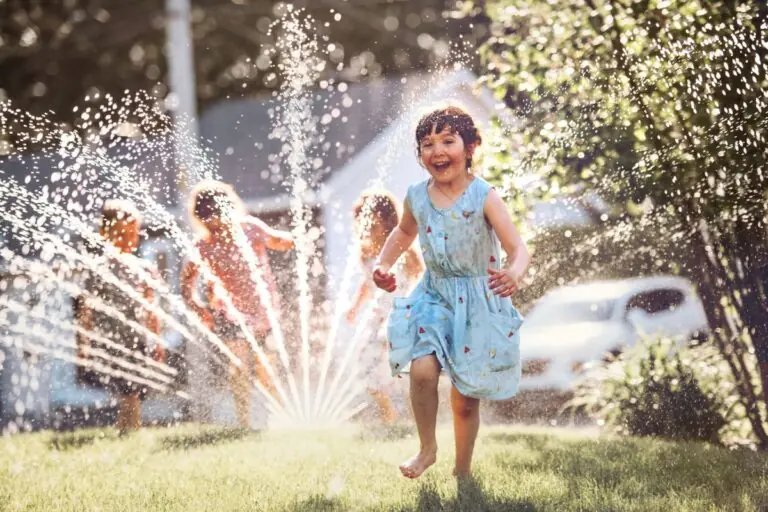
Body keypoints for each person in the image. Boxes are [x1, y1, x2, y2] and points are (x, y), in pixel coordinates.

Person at [372, 106, 531, 479]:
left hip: (477, 302)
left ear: (471, 145)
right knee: (422, 369)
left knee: (464, 400)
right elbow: (404, 233)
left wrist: (515, 273)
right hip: (435, 295)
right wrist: (384, 265)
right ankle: (427, 448)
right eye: (427, 144)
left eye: (448, 141)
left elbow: (518, 248)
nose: (437, 151)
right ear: (420, 154)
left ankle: (463, 471)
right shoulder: (416, 196)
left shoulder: (484, 196)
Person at [181, 180, 294, 429]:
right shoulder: (202, 246)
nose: (217, 224)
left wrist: (290, 239)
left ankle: (275, 418)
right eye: (210, 218)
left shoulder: (250, 229)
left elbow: (276, 240)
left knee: (267, 369)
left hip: (264, 313)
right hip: (230, 314)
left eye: (218, 214)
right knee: (240, 366)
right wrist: (202, 310)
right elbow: (186, 286)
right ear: (202, 217)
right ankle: (244, 422)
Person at [76, 199, 165, 434]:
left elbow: (151, 308)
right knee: (128, 388)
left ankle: (127, 428)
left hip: (138, 339)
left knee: (134, 388)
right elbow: (86, 309)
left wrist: (157, 341)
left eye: (132, 233)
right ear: (105, 234)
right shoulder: (98, 269)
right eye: (121, 233)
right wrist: (84, 343)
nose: (128, 239)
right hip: (110, 338)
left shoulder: (145, 268)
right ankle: (129, 429)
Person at [346, 189, 424, 424]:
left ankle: (416, 418)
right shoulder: (367, 251)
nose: (364, 224)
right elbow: (367, 283)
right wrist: (355, 308)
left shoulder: (402, 245)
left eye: (368, 218)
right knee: (364, 365)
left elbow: (419, 276)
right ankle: (389, 413)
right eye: (360, 219)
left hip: (401, 311)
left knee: (402, 367)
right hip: (378, 316)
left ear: (384, 217)